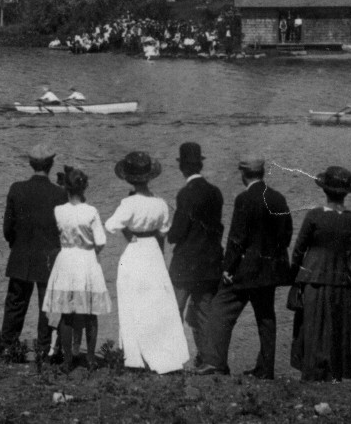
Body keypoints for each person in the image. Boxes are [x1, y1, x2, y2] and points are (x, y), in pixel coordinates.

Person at [197, 154, 293, 379]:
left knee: (220, 310)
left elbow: (237, 239)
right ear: (262, 173)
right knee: (266, 317)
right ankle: (266, 369)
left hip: (245, 271)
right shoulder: (278, 198)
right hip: (269, 271)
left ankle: (216, 363)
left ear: (243, 174)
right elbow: (286, 233)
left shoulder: (244, 199)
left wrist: (228, 268)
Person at [290, 166, 351, 381]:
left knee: (312, 328)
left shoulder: (314, 215)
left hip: (313, 277)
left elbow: (298, 251)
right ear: (346, 193)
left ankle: (313, 374)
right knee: (339, 328)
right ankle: (336, 375)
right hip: (342, 278)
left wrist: (295, 279)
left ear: (324, 191)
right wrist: (348, 251)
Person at [104, 151, 189, 374]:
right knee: (157, 302)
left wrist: (128, 230)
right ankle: (162, 353)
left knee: (132, 302)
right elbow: (164, 230)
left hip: (134, 250)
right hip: (153, 252)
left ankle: (136, 356)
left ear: (128, 178)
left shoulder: (128, 202)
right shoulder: (160, 203)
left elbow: (111, 225)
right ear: (149, 177)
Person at [42, 167, 111, 373]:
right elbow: (100, 241)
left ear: (66, 187)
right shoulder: (91, 211)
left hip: (66, 259)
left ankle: (67, 360)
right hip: (86, 259)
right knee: (90, 311)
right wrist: (91, 247)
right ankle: (89, 358)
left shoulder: (59, 211)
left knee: (66, 312)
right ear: (85, 187)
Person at [1, 143, 66, 359]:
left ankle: (9, 347)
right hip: (48, 257)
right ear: (51, 164)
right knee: (46, 305)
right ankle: (44, 349)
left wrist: (15, 243)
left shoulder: (16, 188)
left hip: (21, 253)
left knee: (15, 304)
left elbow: (7, 228)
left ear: (30, 164)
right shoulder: (59, 194)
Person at [167, 142, 224, 368]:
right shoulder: (215, 192)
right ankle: (210, 360)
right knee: (204, 314)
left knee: (175, 311)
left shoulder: (185, 194)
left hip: (185, 264)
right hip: (210, 264)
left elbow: (177, 232)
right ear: (200, 165)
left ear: (182, 168)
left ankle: (172, 359)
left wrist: (169, 234)